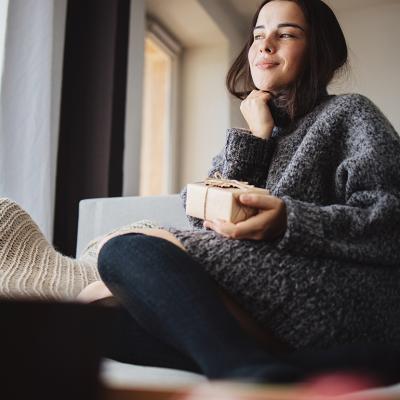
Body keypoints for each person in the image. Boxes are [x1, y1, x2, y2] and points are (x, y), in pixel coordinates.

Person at [40, 0, 400, 385]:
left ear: (320, 49)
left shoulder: (350, 114)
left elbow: (389, 221)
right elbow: (202, 216)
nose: (265, 45)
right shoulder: (260, 129)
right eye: (258, 35)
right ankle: (266, 369)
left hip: (337, 292)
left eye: (287, 34)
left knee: (125, 249)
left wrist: (288, 220)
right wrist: (256, 138)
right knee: (94, 318)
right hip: (267, 292)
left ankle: (240, 369)